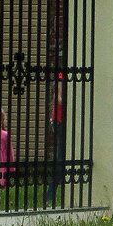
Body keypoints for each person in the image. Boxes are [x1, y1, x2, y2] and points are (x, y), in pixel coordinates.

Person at [45, 72, 66, 205]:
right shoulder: (61, 75)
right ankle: (50, 195)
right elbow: (58, 98)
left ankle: (51, 194)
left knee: (62, 157)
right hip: (60, 120)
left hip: (63, 120)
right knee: (60, 158)